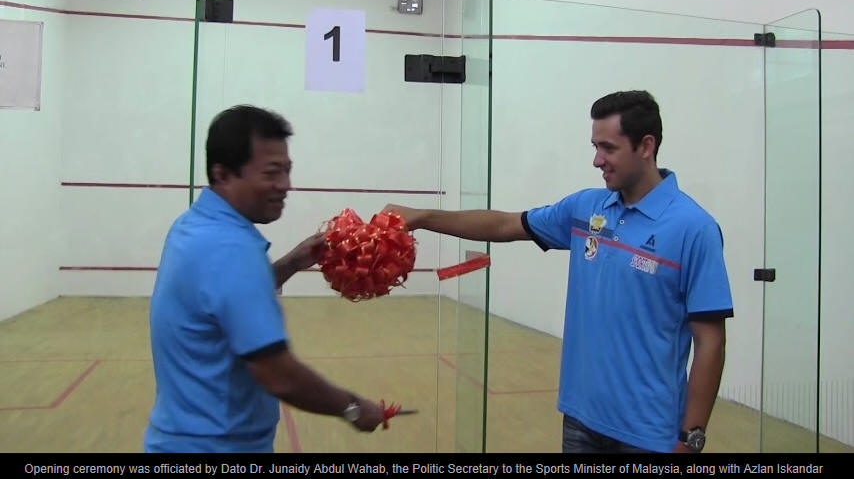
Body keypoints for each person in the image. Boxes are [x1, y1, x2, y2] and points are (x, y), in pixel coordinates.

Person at [385, 90, 732, 453]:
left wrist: (691, 439)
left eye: (608, 148)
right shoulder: (586, 208)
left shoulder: (694, 229)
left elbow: (710, 342)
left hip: (650, 435)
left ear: (646, 146)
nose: (597, 160)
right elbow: (505, 224)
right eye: (595, 146)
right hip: (581, 420)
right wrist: (422, 217)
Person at [144, 105, 385, 453]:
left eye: (287, 171)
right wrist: (353, 408)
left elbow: (223, 301)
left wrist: (291, 263)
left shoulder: (193, 225)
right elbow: (278, 374)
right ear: (222, 174)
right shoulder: (233, 249)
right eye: (271, 173)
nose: (285, 185)